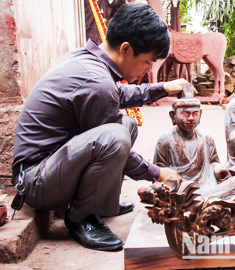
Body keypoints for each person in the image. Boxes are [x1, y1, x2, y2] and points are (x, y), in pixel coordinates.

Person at [12, 3, 186, 251]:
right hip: (36, 182)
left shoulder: (88, 61)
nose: (148, 70)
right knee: (116, 136)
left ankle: (102, 202)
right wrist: (157, 173)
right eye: (147, 62)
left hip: (52, 167)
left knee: (126, 124)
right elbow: (110, 114)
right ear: (126, 49)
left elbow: (118, 93)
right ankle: (82, 217)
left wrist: (162, 88)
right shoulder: (95, 80)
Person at [153, 98, 235, 200]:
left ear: (200, 114)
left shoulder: (206, 137)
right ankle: (203, 201)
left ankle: (199, 201)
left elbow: (213, 162)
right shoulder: (165, 141)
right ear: (173, 116)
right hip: (181, 191)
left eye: (195, 113)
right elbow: (158, 174)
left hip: (208, 187)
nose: (191, 118)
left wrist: (220, 171)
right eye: (185, 114)